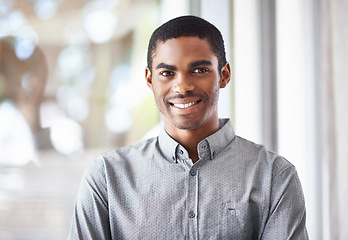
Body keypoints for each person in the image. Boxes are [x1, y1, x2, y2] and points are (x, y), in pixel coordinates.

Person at [68, 15, 308, 239]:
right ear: (150, 79)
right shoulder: (108, 177)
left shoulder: (274, 176)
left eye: (200, 70)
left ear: (224, 75)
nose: (182, 87)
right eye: (167, 72)